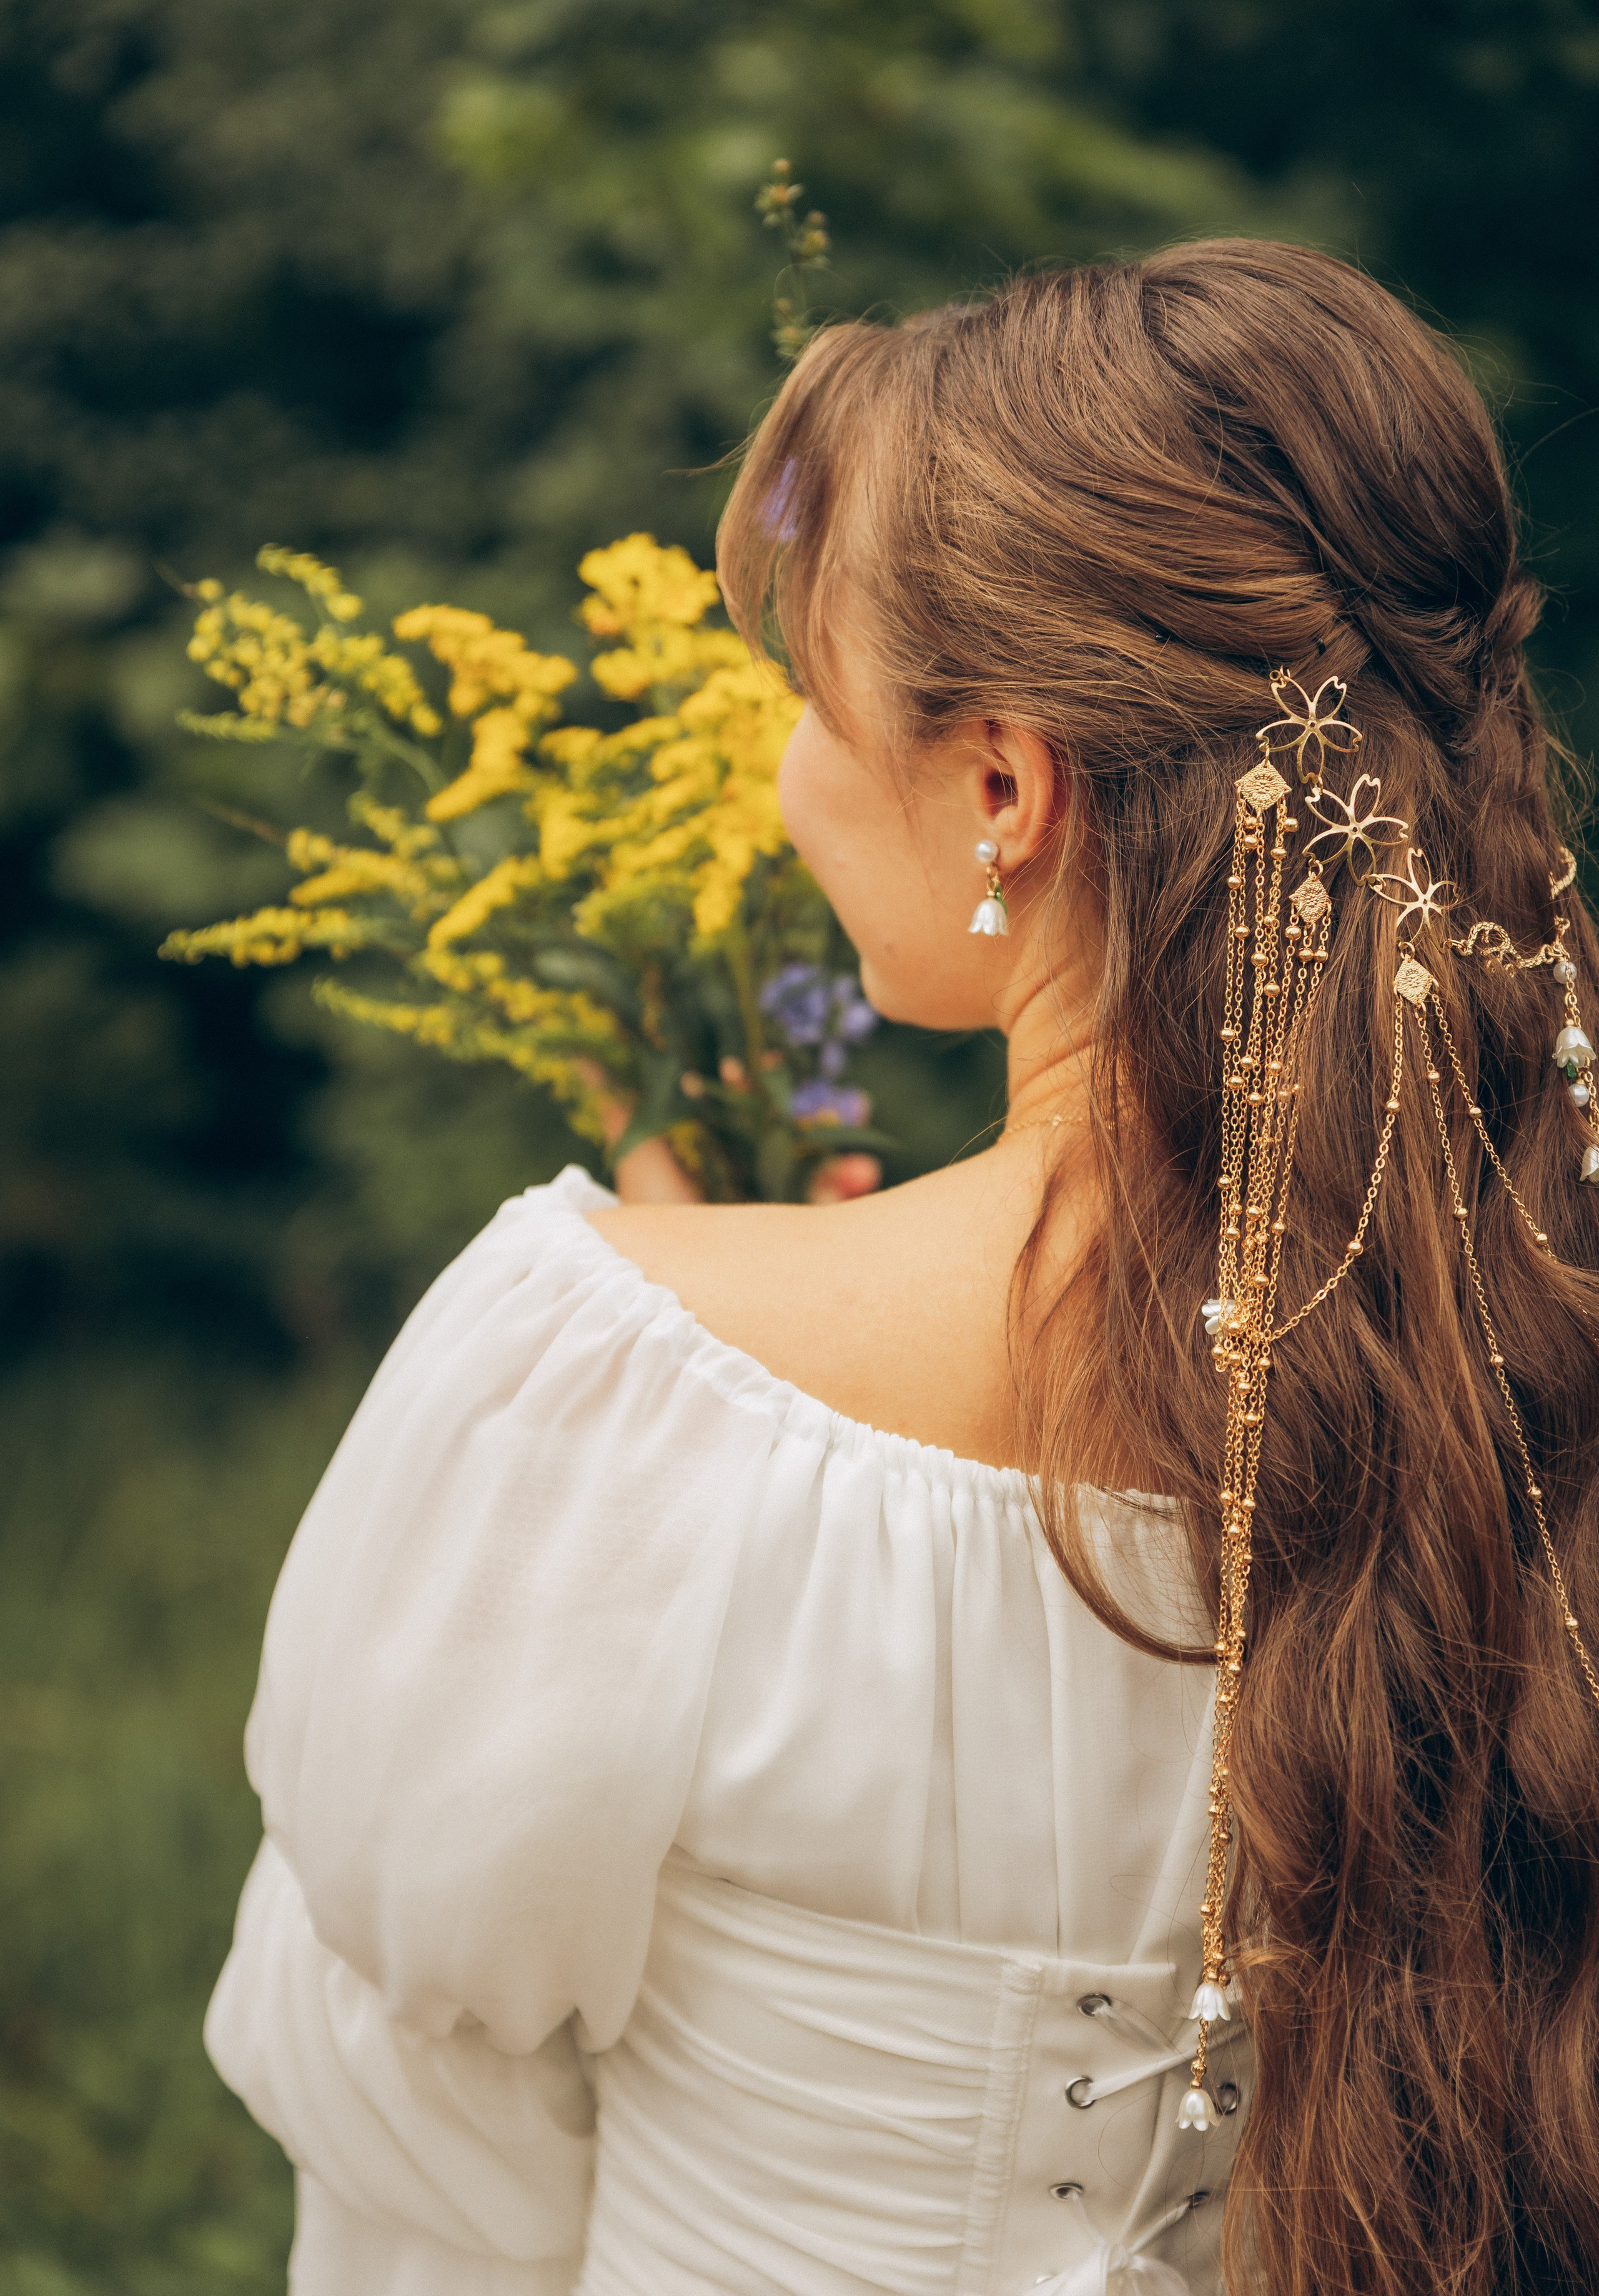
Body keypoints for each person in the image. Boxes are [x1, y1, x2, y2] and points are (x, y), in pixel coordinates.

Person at [204, 240, 1599, 2296]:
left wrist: (693, 1319)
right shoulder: (1529, 1361)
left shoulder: (602, 1388)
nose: (790, 773)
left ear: (1005, 786)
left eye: (810, 694)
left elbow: (429, 2173)